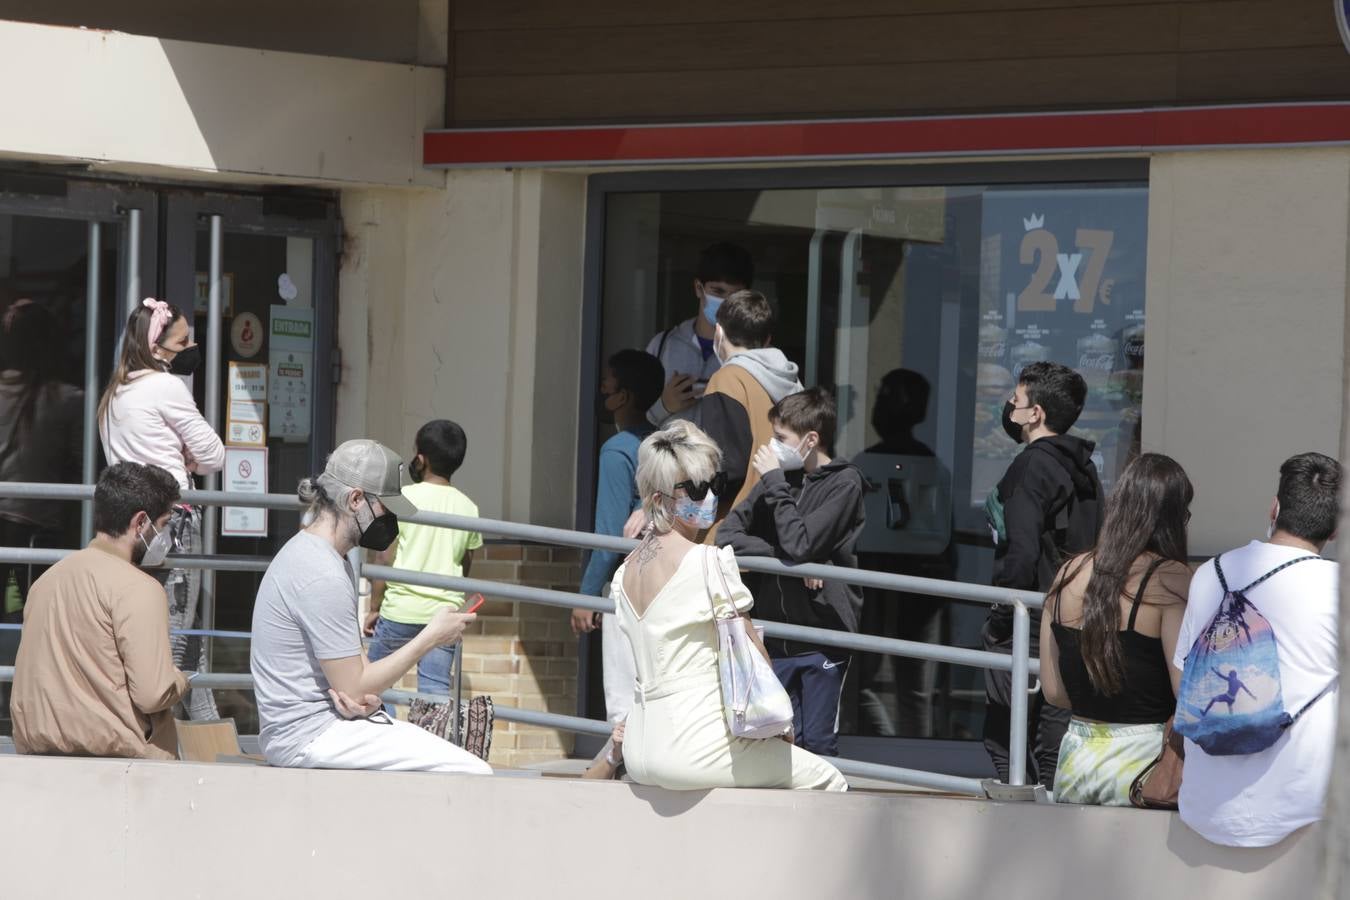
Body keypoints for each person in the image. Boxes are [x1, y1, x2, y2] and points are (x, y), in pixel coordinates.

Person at [612, 419, 846, 791]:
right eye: (695, 488)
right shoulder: (707, 561)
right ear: (658, 499)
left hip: (640, 748)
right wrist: (780, 725)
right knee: (828, 779)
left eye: (715, 484)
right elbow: (753, 652)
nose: (709, 496)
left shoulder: (624, 573)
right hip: (694, 745)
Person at [250, 439, 491, 774]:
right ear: (355, 500)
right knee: (472, 771)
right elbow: (355, 684)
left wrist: (365, 700)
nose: (391, 520)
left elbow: (356, 676)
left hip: (320, 726)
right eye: (386, 508)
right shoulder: (321, 571)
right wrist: (431, 637)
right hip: (308, 735)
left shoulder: (327, 558)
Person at [1174, 452, 1339, 847]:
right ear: (1335, 530)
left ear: (1275, 508)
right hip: (1302, 810)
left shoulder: (1209, 573)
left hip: (1203, 804)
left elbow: (1183, 677)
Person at [1039, 453, 1194, 805]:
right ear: (1172, 516)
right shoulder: (1170, 578)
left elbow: (1054, 692)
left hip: (1076, 756)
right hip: (1145, 762)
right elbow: (1185, 689)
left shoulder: (1067, 573)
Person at [719, 388, 865, 756]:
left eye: (781, 438)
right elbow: (728, 536)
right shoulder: (780, 478)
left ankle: (825, 812)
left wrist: (799, 552)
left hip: (822, 635)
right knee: (779, 740)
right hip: (778, 637)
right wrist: (788, 562)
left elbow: (801, 543)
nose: (771, 446)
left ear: (811, 439)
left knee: (817, 741)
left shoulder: (844, 483)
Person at [99, 298, 225, 721]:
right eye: (183, 340)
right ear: (157, 348)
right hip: (175, 521)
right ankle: (163, 732)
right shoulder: (167, 387)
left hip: (129, 526)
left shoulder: (115, 393)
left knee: (154, 630)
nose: (191, 347)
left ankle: (203, 731)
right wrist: (188, 459)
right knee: (179, 638)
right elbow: (213, 454)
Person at [11, 462, 188, 759]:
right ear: (140, 523)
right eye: (163, 524)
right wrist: (180, 679)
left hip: (40, 756)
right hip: (122, 768)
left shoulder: (46, 581)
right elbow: (152, 692)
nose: (165, 538)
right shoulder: (140, 589)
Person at [982, 361, 1104, 788]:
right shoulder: (1083, 467)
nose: (1009, 408)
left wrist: (1001, 615)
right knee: (1054, 734)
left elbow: (1022, 551)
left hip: (1030, 619)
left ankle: (1026, 821)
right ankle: (1053, 815)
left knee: (1004, 738)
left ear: (1035, 414)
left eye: (1015, 401)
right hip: (1074, 615)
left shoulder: (1032, 466)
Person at [571, 350, 665, 730]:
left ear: (622, 396)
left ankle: (622, 761)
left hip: (628, 581)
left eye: (606, 386)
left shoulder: (617, 450)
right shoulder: (663, 441)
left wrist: (586, 595)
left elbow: (609, 533)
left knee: (623, 689)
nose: (600, 392)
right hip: (667, 571)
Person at [365, 419, 483, 707]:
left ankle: (383, 748)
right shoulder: (469, 507)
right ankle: (431, 750)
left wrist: (373, 607)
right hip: (444, 613)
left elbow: (384, 557)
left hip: (400, 610)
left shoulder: (404, 498)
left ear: (421, 459)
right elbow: (466, 562)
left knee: (375, 686)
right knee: (434, 692)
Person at [694, 289, 803, 537]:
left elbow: (726, 468)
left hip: (732, 529)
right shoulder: (792, 385)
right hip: (779, 525)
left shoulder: (727, 380)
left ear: (719, 332)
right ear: (767, 340)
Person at [0, 299, 82, 620]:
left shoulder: (63, 399)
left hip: (26, 524)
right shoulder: (69, 399)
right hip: (38, 526)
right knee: (30, 613)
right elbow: (80, 463)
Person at [643, 242, 753, 426]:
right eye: (717, 291)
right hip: (668, 454)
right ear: (698, 288)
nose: (726, 301)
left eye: (735, 295)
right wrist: (665, 405)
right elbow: (637, 417)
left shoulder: (754, 352)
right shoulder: (663, 345)